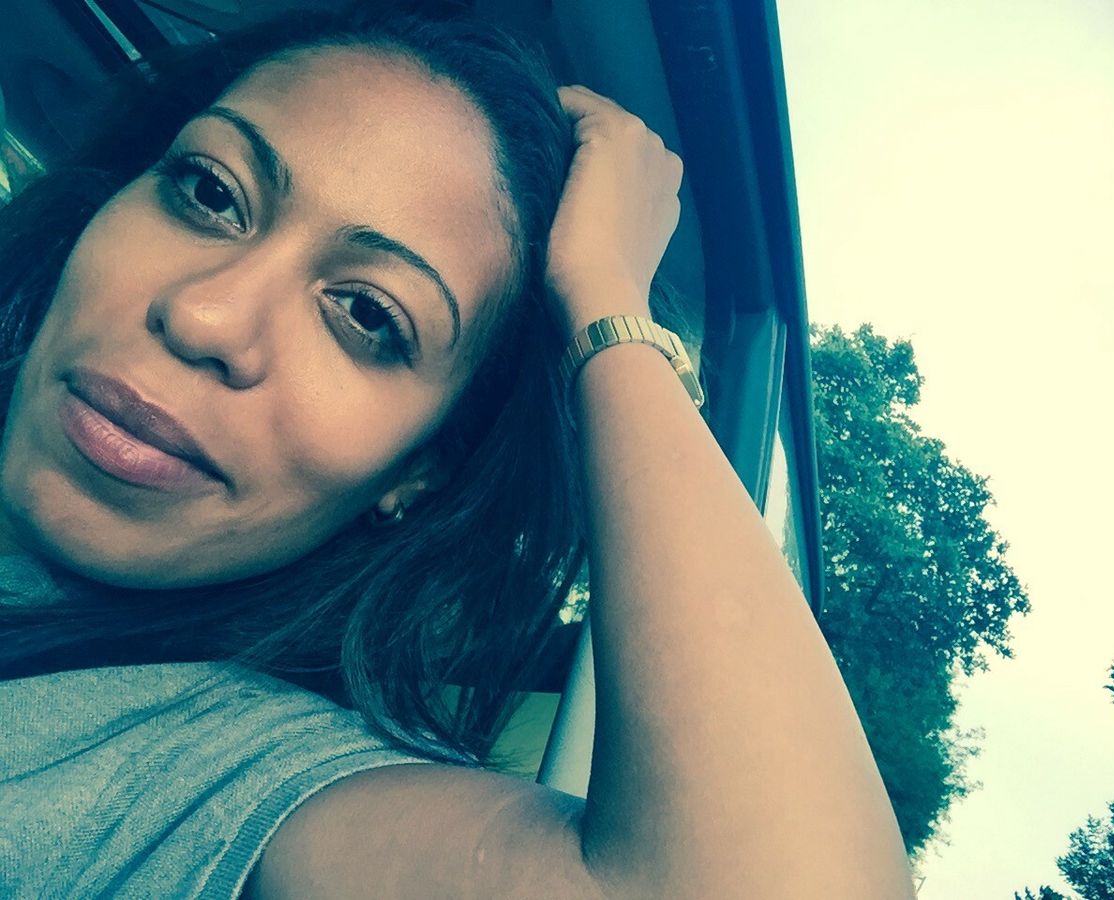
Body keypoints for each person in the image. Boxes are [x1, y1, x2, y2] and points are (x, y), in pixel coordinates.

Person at [0, 4, 915, 898]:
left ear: (415, 473)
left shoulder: (220, 774)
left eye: (368, 315)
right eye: (210, 192)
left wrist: (609, 304)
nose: (204, 316)